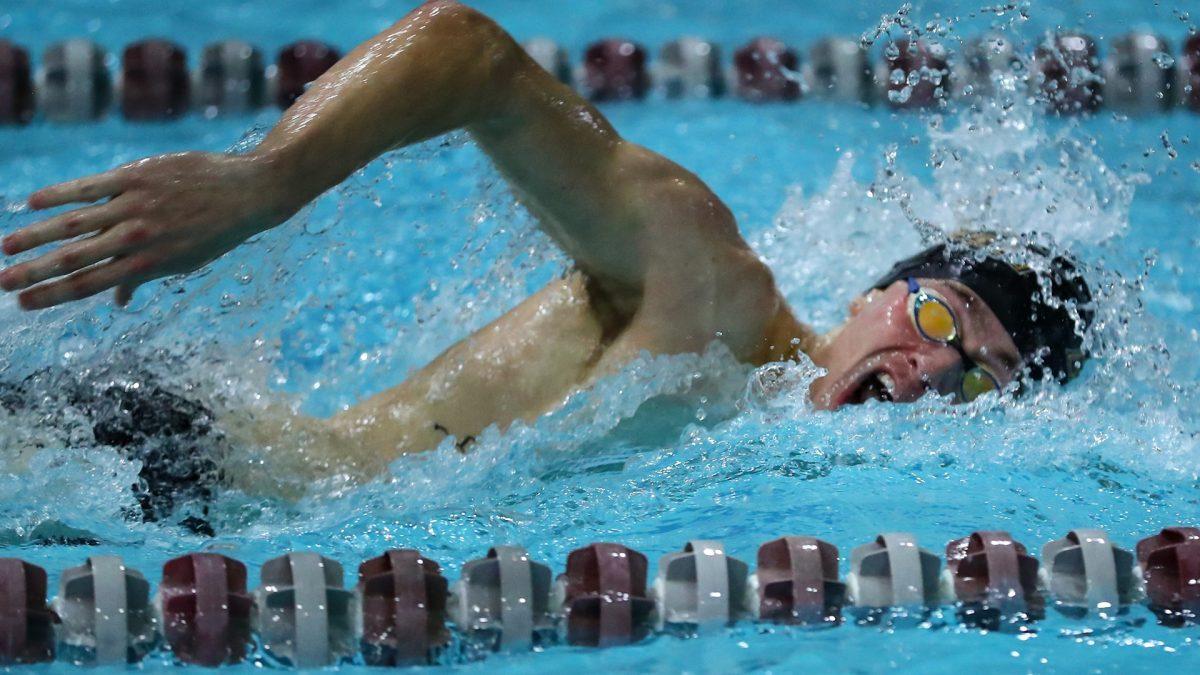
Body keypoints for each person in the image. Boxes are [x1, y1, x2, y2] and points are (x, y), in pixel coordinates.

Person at [0, 0, 1093, 488]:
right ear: (877, 293)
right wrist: (262, 183)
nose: (938, 370)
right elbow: (466, 51)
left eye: (982, 382)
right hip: (158, 464)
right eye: (945, 317)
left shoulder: (763, 443)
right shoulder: (711, 288)